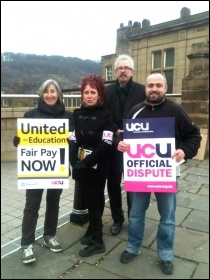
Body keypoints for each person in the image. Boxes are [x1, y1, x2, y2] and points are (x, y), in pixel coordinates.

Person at [116, 73, 202, 274]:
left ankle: (165, 253)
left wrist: (185, 151)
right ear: (145, 88)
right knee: (136, 214)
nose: (154, 89)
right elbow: (122, 135)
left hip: (166, 173)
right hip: (140, 174)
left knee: (168, 216)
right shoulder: (136, 111)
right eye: (150, 86)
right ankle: (133, 246)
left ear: (165, 87)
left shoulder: (176, 111)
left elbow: (194, 136)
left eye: (158, 85)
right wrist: (118, 143)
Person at [13, 79, 75, 264]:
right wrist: (19, 141)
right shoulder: (30, 115)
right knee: (32, 206)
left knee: (53, 204)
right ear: (41, 94)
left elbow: (71, 140)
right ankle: (26, 244)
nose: (49, 94)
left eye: (53, 91)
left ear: (59, 94)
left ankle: (49, 235)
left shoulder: (68, 116)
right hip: (36, 169)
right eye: (46, 91)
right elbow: (24, 141)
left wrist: (71, 141)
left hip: (57, 168)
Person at [69, 75, 114, 257]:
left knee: (95, 202)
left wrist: (88, 162)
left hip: (98, 165)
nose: (89, 96)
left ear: (99, 94)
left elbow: (107, 143)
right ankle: (93, 231)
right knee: (91, 201)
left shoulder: (106, 115)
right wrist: (74, 161)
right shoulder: (76, 114)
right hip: (81, 165)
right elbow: (72, 138)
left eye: (92, 92)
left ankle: (98, 241)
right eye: (86, 92)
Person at [104, 54, 146, 235]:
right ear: (115, 72)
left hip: (135, 146)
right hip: (113, 144)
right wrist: (115, 131)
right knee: (113, 184)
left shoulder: (142, 90)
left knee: (133, 185)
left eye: (126, 68)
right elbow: (104, 115)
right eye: (120, 68)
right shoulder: (106, 92)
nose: (123, 71)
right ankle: (117, 218)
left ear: (132, 72)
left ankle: (133, 218)